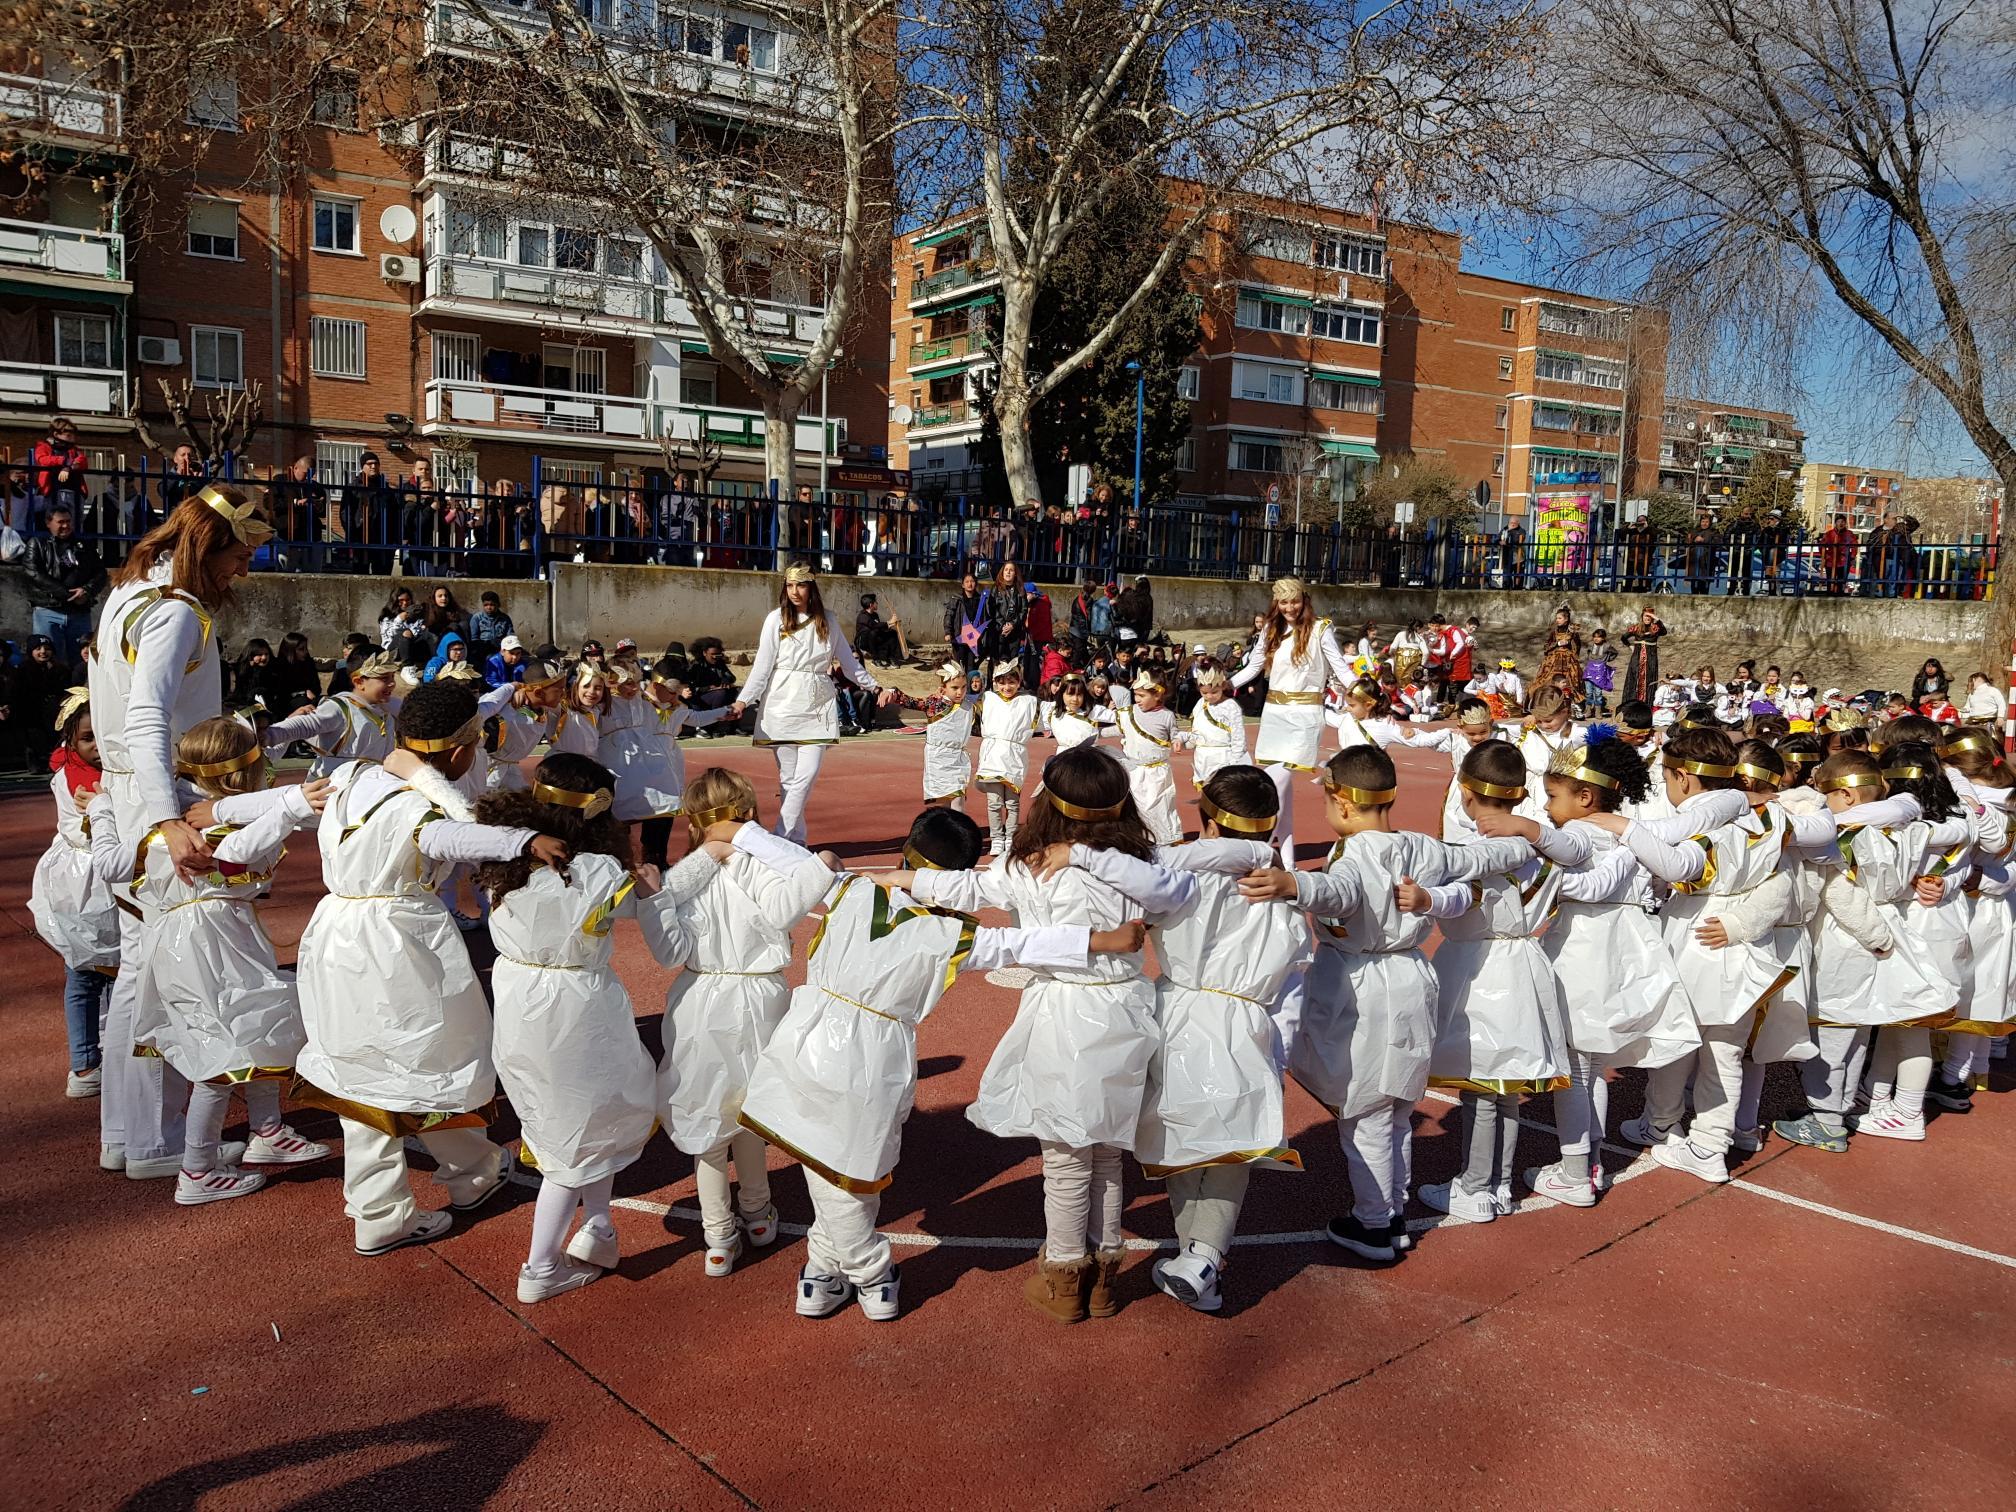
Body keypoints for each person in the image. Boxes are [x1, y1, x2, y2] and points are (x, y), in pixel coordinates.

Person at [742, 807, 1143, 1321]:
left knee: (834, 1166)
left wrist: (740, 831)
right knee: (847, 1169)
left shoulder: (849, 888)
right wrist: (1101, 940)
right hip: (872, 1059)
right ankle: (872, 1273)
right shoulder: (949, 936)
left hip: (804, 1040)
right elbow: (1020, 943)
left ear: (905, 853)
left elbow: (786, 857)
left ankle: (823, 1268)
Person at [892, 747, 1198, 1322]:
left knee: (1065, 1156)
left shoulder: (1028, 865)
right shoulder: (1140, 863)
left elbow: (967, 890)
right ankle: (1104, 1279)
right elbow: (1179, 891)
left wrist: (900, 878)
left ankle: (1064, 1277)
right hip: (1128, 1009)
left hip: (1064, 1014)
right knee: (1107, 1152)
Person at [292, 682, 568, 1255]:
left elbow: (280, 802)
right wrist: (522, 840)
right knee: (412, 1063)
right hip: (397, 945)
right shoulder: (418, 808)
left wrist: (216, 811)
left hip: (334, 937)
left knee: (382, 1063)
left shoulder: (350, 776)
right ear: (463, 751)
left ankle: (469, 1170)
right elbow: (458, 833)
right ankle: (387, 1212)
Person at [1235, 744, 1532, 1261]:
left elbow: (1339, 891)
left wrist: (1292, 884)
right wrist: (1528, 835)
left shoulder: (1354, 855)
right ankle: (1392, 1213)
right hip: (1413, 977)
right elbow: (1481, 857)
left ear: (1342, 802)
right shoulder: (1424, 848)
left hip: (1363, 991)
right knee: (1396, 1109)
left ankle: (1374, 1224)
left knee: (1366, 1112)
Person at [477, 755, 728, 1303]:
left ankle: (599, 1227)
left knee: (589, 1117)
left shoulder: (503, 853)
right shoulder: (597, 872)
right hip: (577, 1011)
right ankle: (540, 1267)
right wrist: (711, 852)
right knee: (575, 1136)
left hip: (518, 1002)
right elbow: (658, 893)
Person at [87, 481, 262, 1181]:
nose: (243, 570)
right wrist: (167, 817)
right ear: (206, 546)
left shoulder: (128, 592)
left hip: (135, 792)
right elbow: (147, 716)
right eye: (239, 555)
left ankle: (130, 1135)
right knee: (164, 977)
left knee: (140, 973)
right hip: (157, 798)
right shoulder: (174, 611)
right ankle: (152, 1141)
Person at [115, 716, 332, 1205]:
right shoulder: (202, 823)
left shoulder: (177, 811)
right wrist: (290, 807)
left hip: (214, 936)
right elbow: (236, 856)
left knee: (261, 1024)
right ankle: (197, 1169)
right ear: (240, 772)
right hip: (204, 945)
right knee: (221, 1053)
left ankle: (267, 1131)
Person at [655, 767, 837, 1274]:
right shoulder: (761, 867)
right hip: (759, 997)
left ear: (694, 821)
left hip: (699, 998)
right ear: (750, 815)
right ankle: (757, 1213)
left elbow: (663, 915)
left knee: (707, 1113)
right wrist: (821, 864)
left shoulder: (686, 875)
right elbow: (789, 902)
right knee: (748, 1106)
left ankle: (718, 1235)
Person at [1418, 740, 1584, 1224]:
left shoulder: (1474, 855)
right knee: (1507, 1087)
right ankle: (1501, 1184)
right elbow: (1576, 850)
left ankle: (1474, 1187)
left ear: (1465, 794)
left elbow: (1455, 901)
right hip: (1527, 965)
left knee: (1481, 1086)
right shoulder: (1545, 849)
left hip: (1478, 970)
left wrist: (1425, 899)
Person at [732, 563, 889, 845]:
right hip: (781, 702)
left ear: (812, 587)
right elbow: (762, 667)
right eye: (790, 585)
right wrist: (743, 700)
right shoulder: (775, 619)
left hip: (816, 703)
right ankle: (797, 841)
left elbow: (849, 663)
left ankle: (779, 838)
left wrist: (874, 686)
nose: (794, 591)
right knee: (789, 780)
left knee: (806, 776)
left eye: (801, 585)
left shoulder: (828, 620)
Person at [28, 689, 117, 1099]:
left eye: (103, 734)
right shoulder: (74, 778)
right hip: (83, 884)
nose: (97, 745)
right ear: (70, 740)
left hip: (104, 879)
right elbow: (83, 833)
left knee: (117, 970)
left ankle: (113, 1051)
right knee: (83, 973)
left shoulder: (111, 771)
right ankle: (84, 1064)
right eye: (87, 738)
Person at [1228, 577, 1353, 864]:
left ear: (1304, 600)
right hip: (1274, 714)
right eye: (1283, 602)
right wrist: (1226, 685)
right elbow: (1254, 666)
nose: (1289, 607)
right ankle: (1287, 862)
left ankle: (1257, 846)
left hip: (1305, 715)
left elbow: (1341, 669)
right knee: (1281, 790)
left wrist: (1362, 690)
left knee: (1276, 782)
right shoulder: (1271, 629)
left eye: (1294, 601)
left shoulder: (1321, 629)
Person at [260, 649, 400, 778]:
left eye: (392, 677)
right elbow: (305, 724)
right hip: (333, 787)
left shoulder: (387, 708)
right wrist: (268, 735)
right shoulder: (340, 707)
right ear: (359, 682)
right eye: (384, 678)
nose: (392, 683)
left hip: (371, 784)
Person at [24, 503, 106, 664]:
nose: (65, 526)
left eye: (68, 521)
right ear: (48, 523)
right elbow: (34, 573)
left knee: (82, 661)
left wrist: (87, 590)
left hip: (79, 613)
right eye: (60, 522)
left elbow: (101, 573)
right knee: (49, 661)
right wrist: (68, 594)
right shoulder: (37, 543)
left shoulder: (84, 545)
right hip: (48, 611)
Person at [976, 661, 1040, 854]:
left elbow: (1053, 713)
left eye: (1011, 682)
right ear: (995, 683)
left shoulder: (1028, 702)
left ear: (1019, 682)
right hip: (992, 757)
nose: (1006, 687)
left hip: (1014, 758)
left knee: (1012, 803)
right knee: (994, 802)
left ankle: (1011, 836)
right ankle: (996, 838)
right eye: (1002, 682)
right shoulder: (988, 699)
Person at [892, 662, 977, 806]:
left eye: (963, 687)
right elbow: (911, 702)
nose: (960, 692)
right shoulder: (935, 703)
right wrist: (892, 692)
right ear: (943, 688)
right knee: (942, 801)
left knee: (958, 800)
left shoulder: (969, 707)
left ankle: (956, 821)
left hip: (958, 759)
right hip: (938, 759)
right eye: (955, 688)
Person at [1117, 670, 1181, 845]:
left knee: (1159, 806)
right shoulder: (1130, 712)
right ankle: (1139, 839)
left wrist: (1178, 741)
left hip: (1157, 772)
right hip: (1134, 770)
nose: (1137, 699)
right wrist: (1096, 731)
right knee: (1136, 807)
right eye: (1136, 695)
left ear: (1157, 695)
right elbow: (1118, 728)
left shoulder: (1167, 716)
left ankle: (1164, 841)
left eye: (1142, 695)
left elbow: (1175, 734)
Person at [30, 415, 89, 517]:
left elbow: (83, 462)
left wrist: (69, 467)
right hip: (52, 491)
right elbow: (42, 459)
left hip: (74, 491)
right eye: (68, 434)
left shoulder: (74, 449)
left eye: (73, 434)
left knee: (75, 521)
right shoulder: (44, 446)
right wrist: (63, 461)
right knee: (55, 519)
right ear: (56, 434)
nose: (73, 437)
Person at [854, 592, 906, 665]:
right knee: (872, 633)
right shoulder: (862, 616)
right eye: (876, 602)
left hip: (874, 639)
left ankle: (891, 657)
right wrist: (889, 622)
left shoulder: (875, 615)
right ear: (871, 605)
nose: (877, 604)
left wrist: (892, 624)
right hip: (863, 642)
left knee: (892, 633)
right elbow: (874, 626)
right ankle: (875, 659)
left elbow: (879, 627)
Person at [468, 592, 513, 664]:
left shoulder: (505, 618)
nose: (489, 608)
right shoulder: (477, 618)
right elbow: (474, 639)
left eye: (492, 605)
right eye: (486, 605)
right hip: (483, 649)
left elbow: (510, 636)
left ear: (498, 605)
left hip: (501, 648)